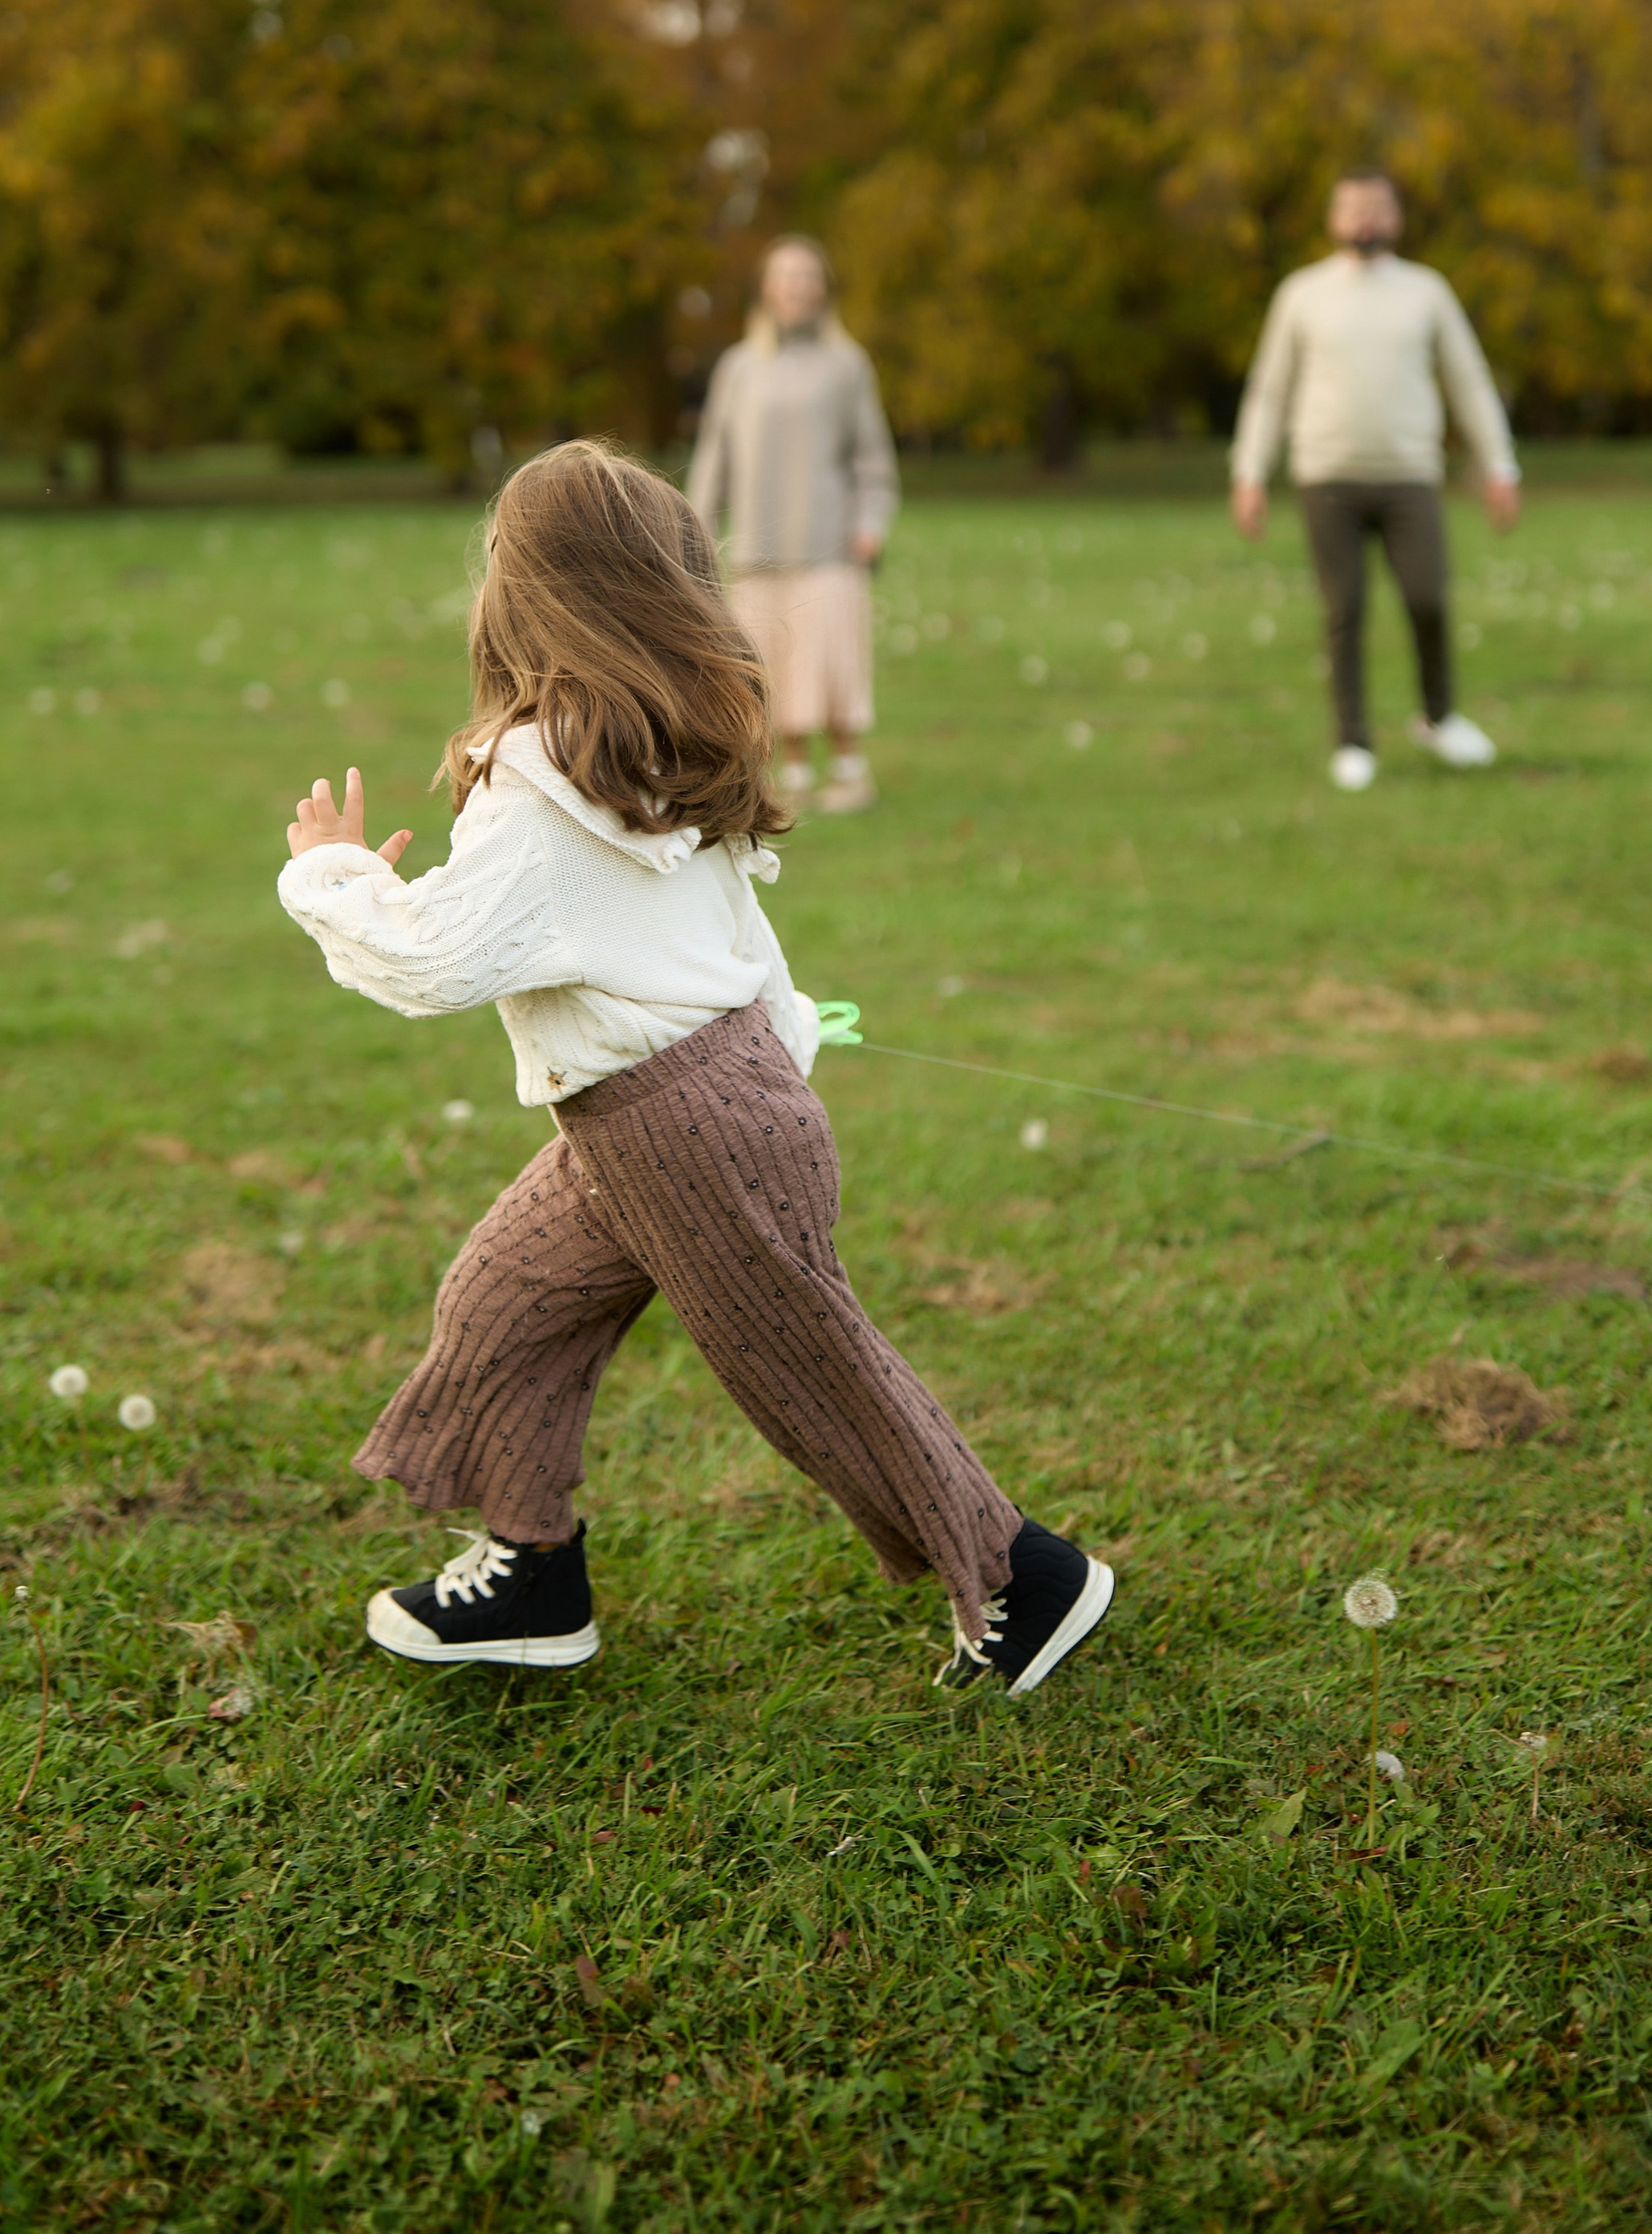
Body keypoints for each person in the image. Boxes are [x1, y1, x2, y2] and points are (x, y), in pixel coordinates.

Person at [276, 440, 1112, 1699]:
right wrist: (780, 1060)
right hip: (676, 1115)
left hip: (684, 1129)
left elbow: (436, 963)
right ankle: (533, 1573)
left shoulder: (544, 778)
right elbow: (723, 941)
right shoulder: (638, 744)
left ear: (522, 593)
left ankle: (1020, 1579)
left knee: (815, 1380)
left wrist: (334, 875)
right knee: (504, 1302)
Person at [1229, 172, 1520, 792]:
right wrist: (1249, 472)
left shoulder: (1426, 292)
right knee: (1346, 608)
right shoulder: (1302, 295)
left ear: (1396, 218)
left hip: (1409, 475)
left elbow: (1468, 380)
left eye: (1378, 209)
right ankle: (1353, 741)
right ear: (1334, 219)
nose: (1366, 220)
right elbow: (1270, 391)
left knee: (1427, 598)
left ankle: (1440, 718)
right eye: (1354, 209)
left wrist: (1500, 466)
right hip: (1326, 473)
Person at [686, 235, 897, 815]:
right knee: (770, 664)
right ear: (766, 288)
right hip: (756, 546)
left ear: (823, 288)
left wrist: (870, 521)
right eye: (786, 275)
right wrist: (694, 530)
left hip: (828, 543)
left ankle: (851, 773)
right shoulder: (738, 367)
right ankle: (790, 776)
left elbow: (871, 456)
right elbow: (715, 456)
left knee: (828, 660)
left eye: (808, 276)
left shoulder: (846, 365)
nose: (798, 287)